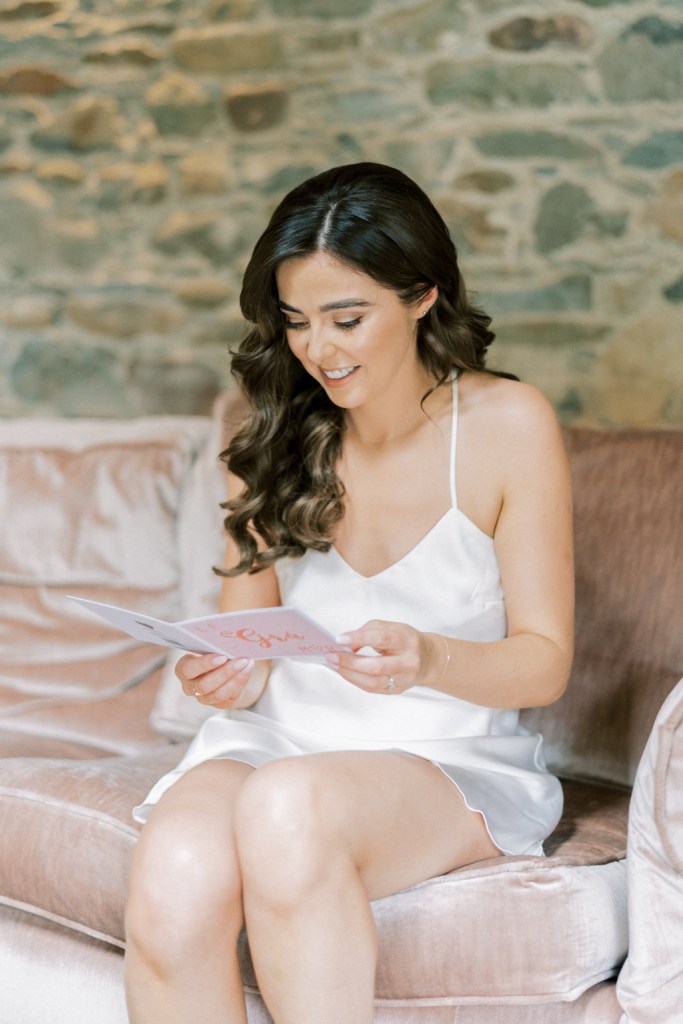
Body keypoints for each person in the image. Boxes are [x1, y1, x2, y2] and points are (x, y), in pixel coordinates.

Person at [124, 162, 574, 1024]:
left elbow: (544, 665)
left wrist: (429, 656)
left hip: (447, 759)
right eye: (295, 322)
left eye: (346, 317)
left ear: (421, 296)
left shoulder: (509, 426)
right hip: (278, 739)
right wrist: (224, 674)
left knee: (287, 807)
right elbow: (245, 652)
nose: (318, 349)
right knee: (176, 867)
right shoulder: (273, 435)